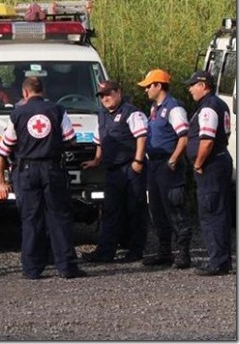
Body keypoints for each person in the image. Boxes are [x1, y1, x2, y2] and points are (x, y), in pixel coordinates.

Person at [0, 76, 86, 279]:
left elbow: (5, 147)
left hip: (26, 170)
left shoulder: (17, 114)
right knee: (59, 217)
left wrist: (2, 179)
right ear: (43, 91)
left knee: (30, 219)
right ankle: (66, 267)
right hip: (52, 168)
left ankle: (31, 269)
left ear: (25, 93)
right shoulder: (57, 110)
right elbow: (71, 139)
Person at [81, 80, 148, 263]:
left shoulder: (132, 113)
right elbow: (100, 140)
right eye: (102, 95)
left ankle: (136, 250)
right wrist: (96, 160)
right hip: (113, 170)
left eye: (108, 94)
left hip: (131, 168)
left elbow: (141, 137)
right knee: (110, 212)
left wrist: (138, 161)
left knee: (135, 210)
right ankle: (105, 252)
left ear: (119, 92)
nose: (105, 98)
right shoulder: (102, 115)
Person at [137, 69, 192, 269]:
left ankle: (184, 254)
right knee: (157, 210)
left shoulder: (174, 108)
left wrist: (173, 159)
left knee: (174, 208)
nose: (145, 90)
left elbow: (183, 137)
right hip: (154, 165)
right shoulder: (154, 108)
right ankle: (164, 252)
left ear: (158, 86)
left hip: (168, 165)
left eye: (148, 86)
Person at [184, 71, 233, 276]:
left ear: (203, 85)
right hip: (218, 162)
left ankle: (218, 262)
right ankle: (220, 259)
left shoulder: (209, 108)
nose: (189, 89)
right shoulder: (217, 104)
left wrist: (197, 163)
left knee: (212, 212)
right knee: (217, 211)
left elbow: (207, 140)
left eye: (192, 85)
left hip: (210, 166)